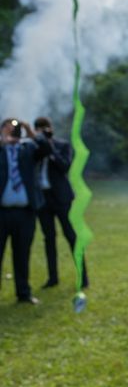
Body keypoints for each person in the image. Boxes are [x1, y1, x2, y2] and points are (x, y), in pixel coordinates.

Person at [33, 117, 89, 289]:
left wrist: (49, 147)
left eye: (45, 128)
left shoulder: (62, 145)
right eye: (39, 129)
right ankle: (52, 277)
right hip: (43, 198)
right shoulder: (34, 146)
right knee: (49, 238)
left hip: (61, 199)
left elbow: (65, 166)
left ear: (51, 129)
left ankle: (83, 276)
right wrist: (40, 144)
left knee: (71, 236)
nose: (43, 131)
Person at [0, 119, 51, 304]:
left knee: (22, 253)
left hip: (25, 213)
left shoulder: (28, 149)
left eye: (16, 129)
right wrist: (2, 140)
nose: (13, 132)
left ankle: (23, 293)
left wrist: (30, 131)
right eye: (9, 128)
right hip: (2, 213)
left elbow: (47, 150)